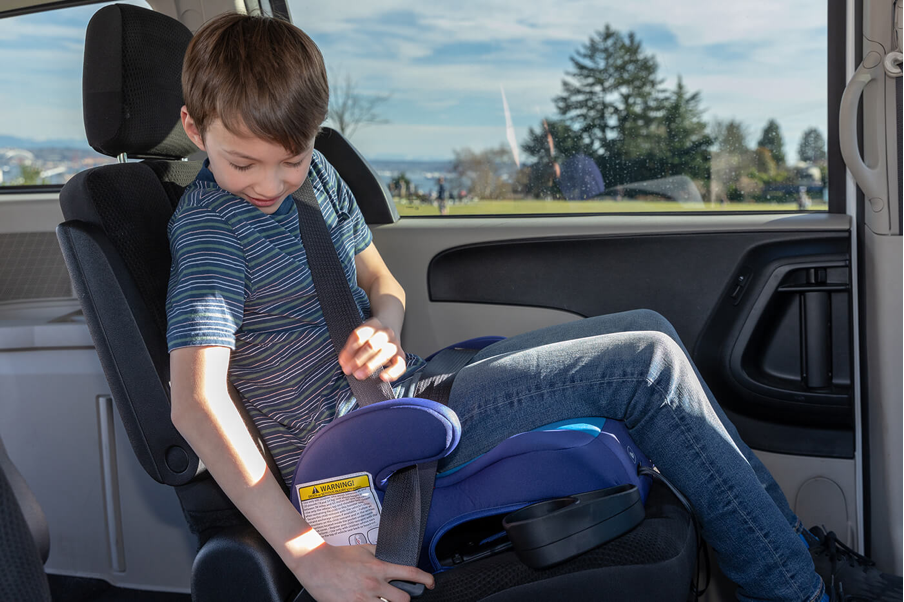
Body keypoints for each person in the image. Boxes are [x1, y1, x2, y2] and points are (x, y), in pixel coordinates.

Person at [165, 13, 902, 602]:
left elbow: (382, 281)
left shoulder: (317, 177)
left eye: (290, 158)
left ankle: (793, 558)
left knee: (651, 331)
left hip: (401, 390)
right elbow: (196, 404)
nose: (274, 180)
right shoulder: (208, 230)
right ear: (196, 129)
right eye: (244, 162)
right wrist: (309, 556)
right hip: (358, 454)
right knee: (645, 366)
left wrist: (382, 327)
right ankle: (797, 587)